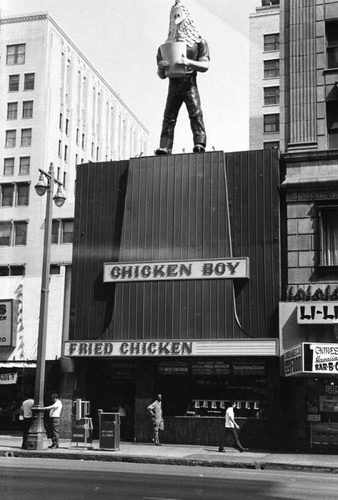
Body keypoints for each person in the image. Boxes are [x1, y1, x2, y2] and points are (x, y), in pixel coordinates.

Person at [155, 0, 210, 156]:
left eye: (179, 14)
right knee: (169, 116)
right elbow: (161, 75)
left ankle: (199, 142)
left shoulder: (199, 42)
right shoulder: (164, 47)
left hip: (190, 83)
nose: (176, 18)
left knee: (196, 113)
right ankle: (165, 146)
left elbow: (205, 65)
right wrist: (161, 67)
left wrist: (188, 62)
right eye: (174, 16)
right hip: (173, 84)